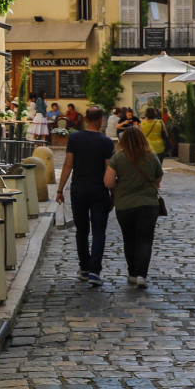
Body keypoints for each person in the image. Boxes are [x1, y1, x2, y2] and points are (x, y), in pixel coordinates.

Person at [54, 105, 115, 287]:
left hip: (78, 189)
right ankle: (95, 271)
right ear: (100, 120)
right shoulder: (106, 142)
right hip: (99, 191)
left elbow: (68, 165)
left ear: (86, 119)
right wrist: (114, 194)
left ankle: (83, 268)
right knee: (99, 232)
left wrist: (60, 189)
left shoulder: (74, 138)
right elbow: (108, 169)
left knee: (82, 230)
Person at [104, 125, 163, 288]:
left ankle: (131, 273)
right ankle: (141, 275)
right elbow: (159, 178)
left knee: (129, 240)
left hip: (125, 205)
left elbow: (108, 181)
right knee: (145, 241)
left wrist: (121, 185)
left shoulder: (118, 157)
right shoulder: (151, 156)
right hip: (148, 205)